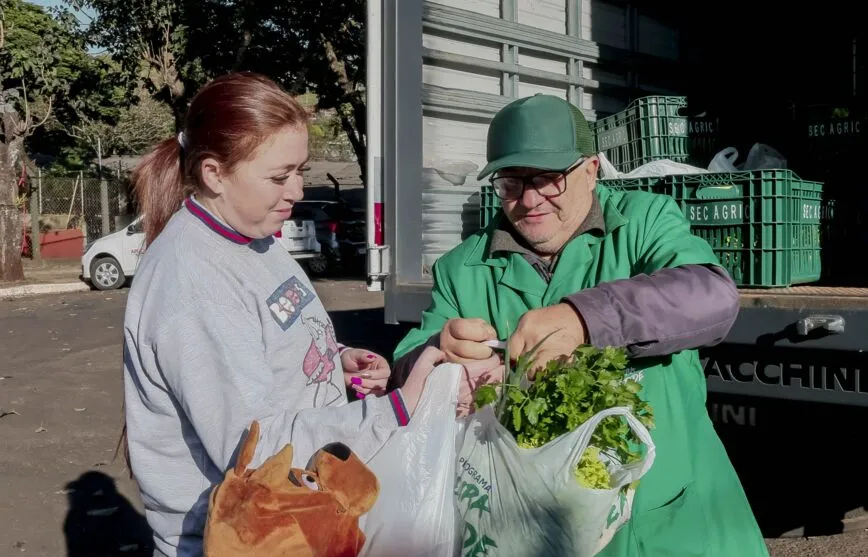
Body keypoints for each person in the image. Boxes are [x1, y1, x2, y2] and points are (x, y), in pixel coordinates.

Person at [121, 72, 496, 557]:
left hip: (298, 517)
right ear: (214, 173)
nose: (297, 190)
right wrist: (397, 408)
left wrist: (333, 357)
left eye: (300, 169)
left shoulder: (253, 236)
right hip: (240, 537)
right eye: (280, 176)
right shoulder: (193, 286)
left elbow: (275, 332)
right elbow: (256, 452)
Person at [391, 94, 769, 556]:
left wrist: (583, 318)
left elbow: (710, 297)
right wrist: (440, 354)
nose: (529, 200)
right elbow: (406, 368)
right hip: (530, 525)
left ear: (590, 170)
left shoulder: (644, 221)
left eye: (548, 179)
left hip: (668, 516)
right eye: (511, 182)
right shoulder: (461, 268)